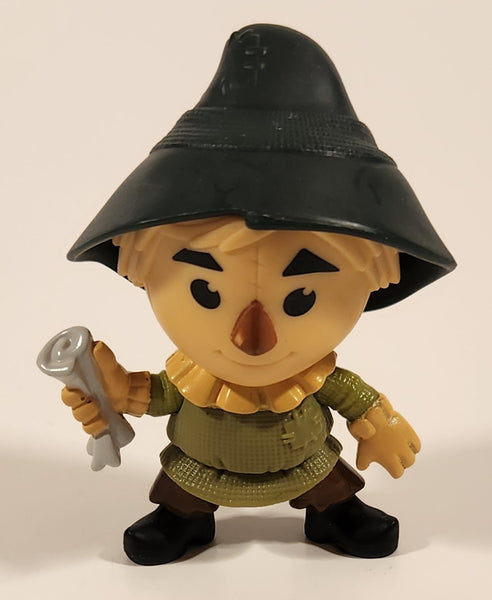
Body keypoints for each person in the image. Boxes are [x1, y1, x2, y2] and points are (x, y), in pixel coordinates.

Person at [60, 24, 456, 565]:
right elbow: (157, 395)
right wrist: (114, 390)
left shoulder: (313, 378)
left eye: (301, 298)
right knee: (184, 489)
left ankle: (335, 511)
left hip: (305, 462)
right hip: (201, 467)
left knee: (326, 480)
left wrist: (381, 426)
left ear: (376, 274)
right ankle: (183, 517)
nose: (252, 337)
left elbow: (354, 398)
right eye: (205, 289)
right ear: (140, 265)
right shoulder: (193, 378)